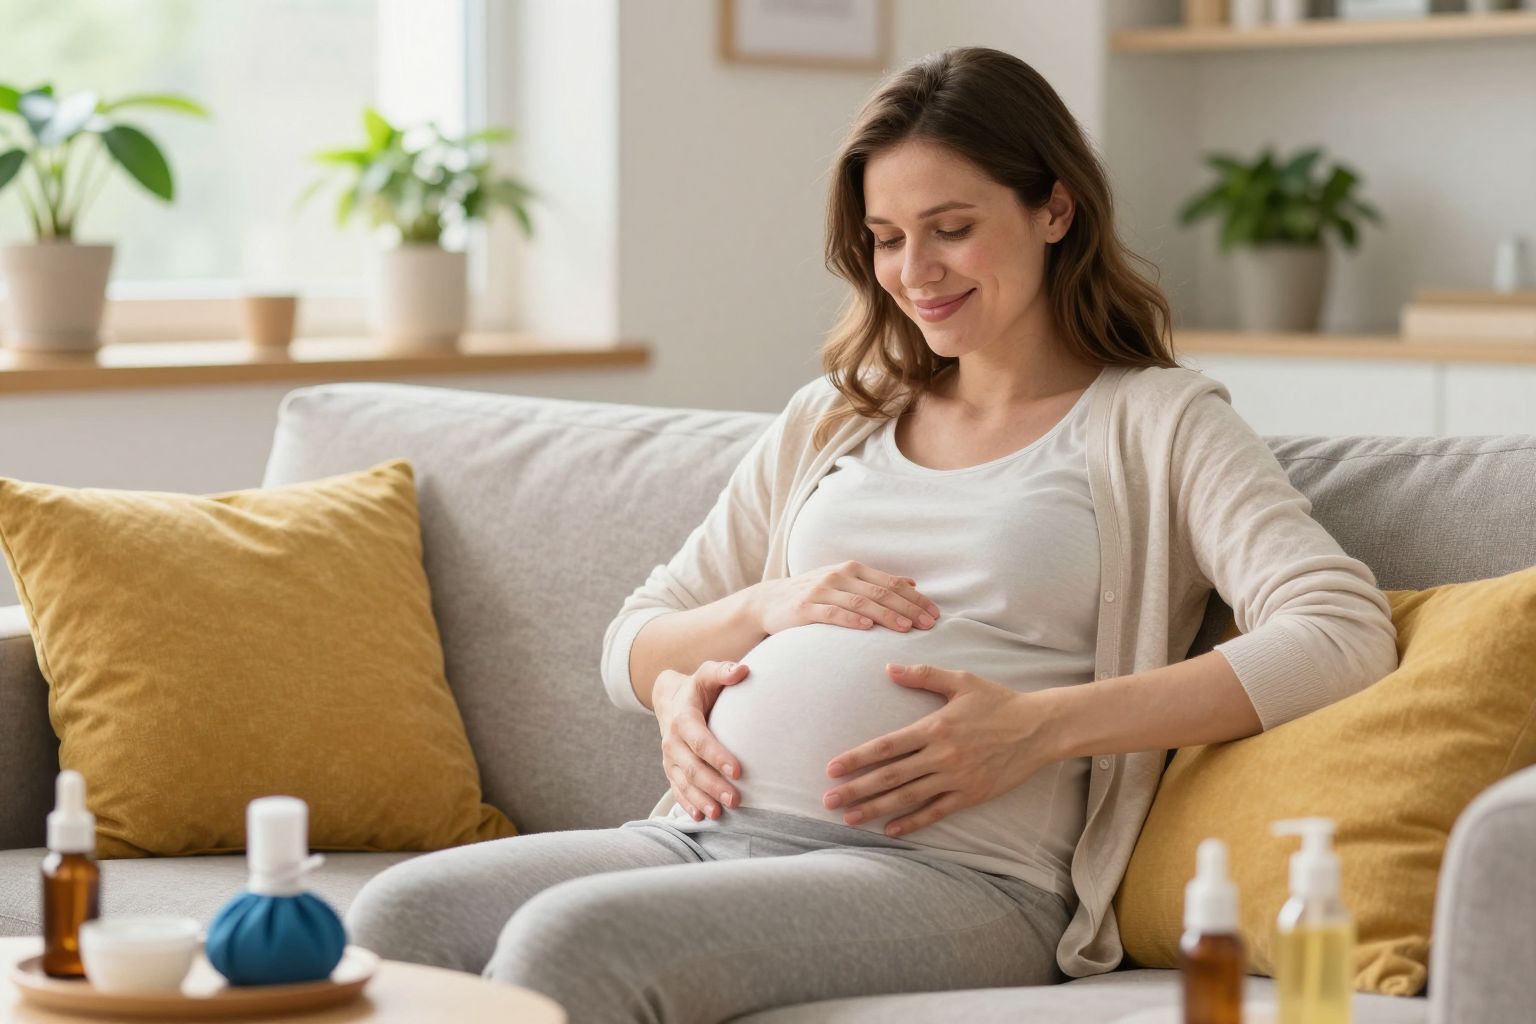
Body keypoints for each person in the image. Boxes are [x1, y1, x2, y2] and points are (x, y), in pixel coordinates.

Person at [345, 46, 1397, 1023]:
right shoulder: (838, 414)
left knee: (572, 940)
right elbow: (633, 640)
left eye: (951, 226)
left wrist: (1043, 725)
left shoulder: (1157, 422)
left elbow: (1340, 628)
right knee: (400, 916)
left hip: (958, 876)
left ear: (1055, 210)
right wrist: (730, 638)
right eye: (886, 239)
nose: (915, 270)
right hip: (697, 833)